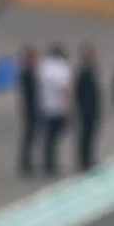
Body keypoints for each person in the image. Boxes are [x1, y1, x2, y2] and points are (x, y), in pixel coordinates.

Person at [33, 44, 74, 176]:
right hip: (58, 107)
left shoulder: (44, 66)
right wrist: (69, 107)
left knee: (48, 138)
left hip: (45, 106)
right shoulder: (62, 67)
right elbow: (64, 88)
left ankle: (48, 163)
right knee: (54, 138)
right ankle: (51, 164)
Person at [71, 45, 102, 170]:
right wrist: (82, 108)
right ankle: (84, 160)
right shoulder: (83, 73)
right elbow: (79, 93)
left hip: (93, 109)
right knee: (85, 135)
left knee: (91, 135)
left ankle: (89, 158)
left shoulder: (92, 72)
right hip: (86, 110)